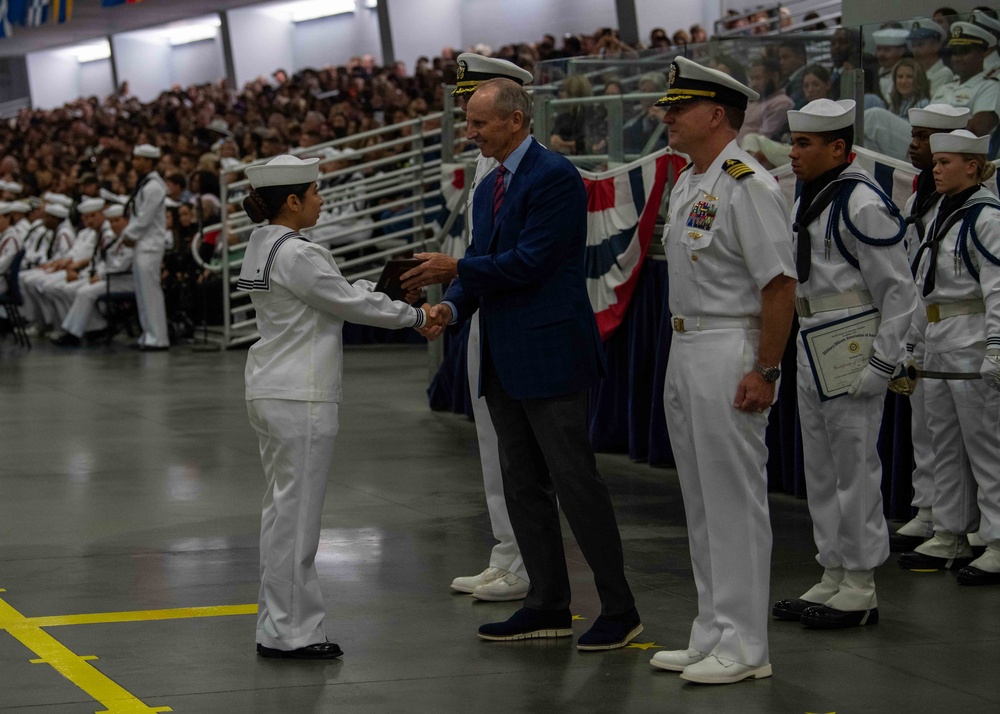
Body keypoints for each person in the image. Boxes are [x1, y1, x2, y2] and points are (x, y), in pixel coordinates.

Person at [403, 78, 642, 651]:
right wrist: (450, 309)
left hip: (552, 353)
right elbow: (486, 266)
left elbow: (532, 261)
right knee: (523, 486)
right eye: (468, 122)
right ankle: (547, 603)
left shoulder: (555, 176)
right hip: (505, 356)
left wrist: (456, 270)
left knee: (575, 482)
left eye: (480, 123)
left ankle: (619, 606)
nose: (471, 133)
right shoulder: (489, 188)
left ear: (515, 120)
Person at [237, 154, 438, 660]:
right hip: (299, 392)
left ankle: (278, 625)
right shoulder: (299, 252)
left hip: (272, 387)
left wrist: (377, 293)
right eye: (316, 192)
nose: (322, 200)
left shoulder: (265, 242)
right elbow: (348, 305)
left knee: (283, 511)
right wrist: (414, 314)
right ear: (292, 200)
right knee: (298, 517)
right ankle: (290, 633)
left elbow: (333, 297)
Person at [646, 56, 796, 685]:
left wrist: (766, 367)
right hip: (687, 347)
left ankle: (745, 644)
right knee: (702, 501)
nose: (668, 116)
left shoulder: (746, 182)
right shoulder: (689, 181)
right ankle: (711, 630)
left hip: (732, 347)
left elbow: (780, 285)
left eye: (679, 107)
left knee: (734, 502)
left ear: (716, 114)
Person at [772, 98, 917, 629]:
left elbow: (899, 291)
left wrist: (883, 363)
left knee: (855, 467)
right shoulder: (809, 196)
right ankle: (832, 569)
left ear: (839, 147)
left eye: (804, 144)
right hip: (813, 338)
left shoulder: (862, 202)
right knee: (822, 465)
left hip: (853, 339)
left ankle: (860, 581)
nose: (793, 153)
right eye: (792, 142)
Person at [405, 53, 533, 603]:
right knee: (490, 444)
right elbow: (480, 251)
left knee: (522, 451)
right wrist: (452, 308)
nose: (467, 117)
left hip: (520, 319)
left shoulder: (535, 169)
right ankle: (506, 551)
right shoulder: (487, 167)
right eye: (465, 106)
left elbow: (519, 258)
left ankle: (526, 558)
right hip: (486, 311)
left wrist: (456, 279)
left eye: (477, 107)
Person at [897, 130, 1000, 585]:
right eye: (934, 162)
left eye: (946, 162)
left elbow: (997, 288)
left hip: (972, 339)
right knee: (944, 443)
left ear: (973, 166)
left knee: (986, 448)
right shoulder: (942, 210)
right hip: (939, 338)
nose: (935, 169)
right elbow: (924, 283)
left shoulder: (988, 217)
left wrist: (997, 346)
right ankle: (951, 531)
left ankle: (997, 541)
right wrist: (913, 343)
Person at [888, 105, 971, 552]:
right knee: (926, 423)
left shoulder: (970, 198)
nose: (916, 144)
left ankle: (963, 518)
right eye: (916, 136)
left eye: (927, 137)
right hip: (920, 317)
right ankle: (929, 507)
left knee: (963, 430)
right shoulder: (916, 194)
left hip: (959, 321)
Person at [865, 21, 999, 161]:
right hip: (923, 143)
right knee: (868, 144)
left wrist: (930, 134)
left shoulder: (990, 87)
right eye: (954, 53)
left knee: (875, 117)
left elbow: (976, 130)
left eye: (964, 52)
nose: (957, 58)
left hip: (951, 151)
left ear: (981, 54)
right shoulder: (947, 87)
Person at [55, 202, 134, 345]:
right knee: (73, 290)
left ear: (127, 221)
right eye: (112, 222)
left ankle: (74, 334)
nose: (114, 225)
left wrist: (101, 275)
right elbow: (105, 262)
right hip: (111, 278)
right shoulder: (117, 239)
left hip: (125, 281)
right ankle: (92, 327)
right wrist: (98, 274)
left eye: (118, 221)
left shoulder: (130, 239)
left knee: (85, 293)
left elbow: (122, 264)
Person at [121, 144, 170, 351]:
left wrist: (129, 235)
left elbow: (144, 217)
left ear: (149, 162)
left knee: (150, 292)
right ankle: (147, 334)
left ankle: (158, 338)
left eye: (139, 159)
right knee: (142, 293)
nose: (134, 162)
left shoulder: (154, 186)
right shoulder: (145, 184)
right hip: (142, 244)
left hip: (149, 244)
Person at [738, 57, 794, 145]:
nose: (753, 84)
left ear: (775, 76)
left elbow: (763, 137)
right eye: (751, 79)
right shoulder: (753, 101)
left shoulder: (782, 103)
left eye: (758, 78)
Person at [906, 18, 956, 99]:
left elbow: (931, 105)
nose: (915, 50)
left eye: (920, 45)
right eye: (913, 45)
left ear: (936, 46)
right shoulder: (915, 72)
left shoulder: (943, 74)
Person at [872, 28, 911, 100]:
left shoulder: (905, 74)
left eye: (887, 50)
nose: (881, 54)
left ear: (901, 51)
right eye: (878, 49)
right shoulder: (876, 71)